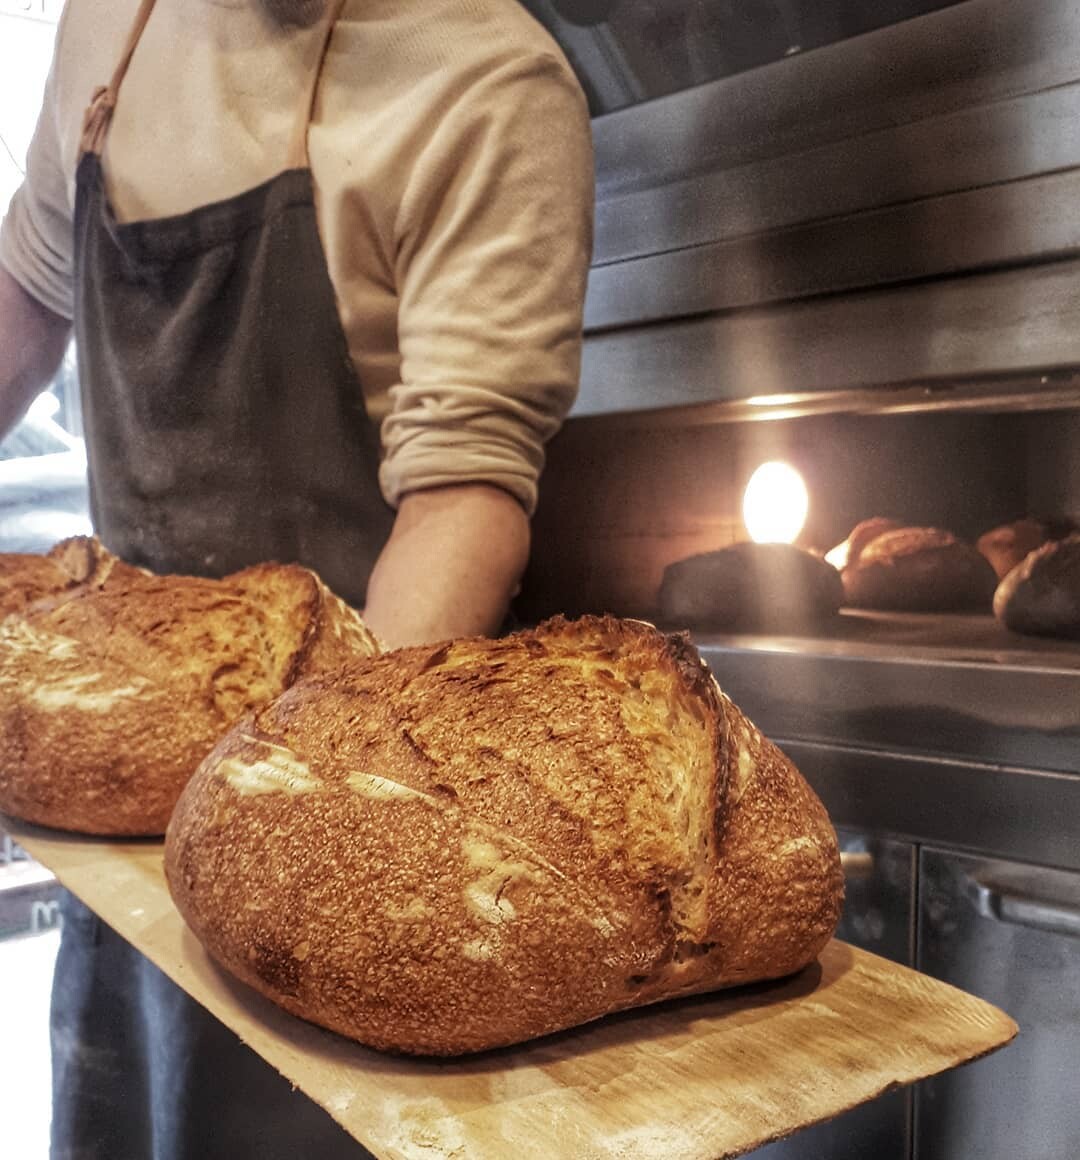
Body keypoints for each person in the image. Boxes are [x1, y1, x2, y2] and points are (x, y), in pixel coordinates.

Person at [0, 0, 593, 1156]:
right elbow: (26, 295)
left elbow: (462, 494)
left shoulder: (490, 83)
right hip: (117, 794)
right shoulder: (113, 25)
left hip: (352, 805)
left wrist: (316, 819)